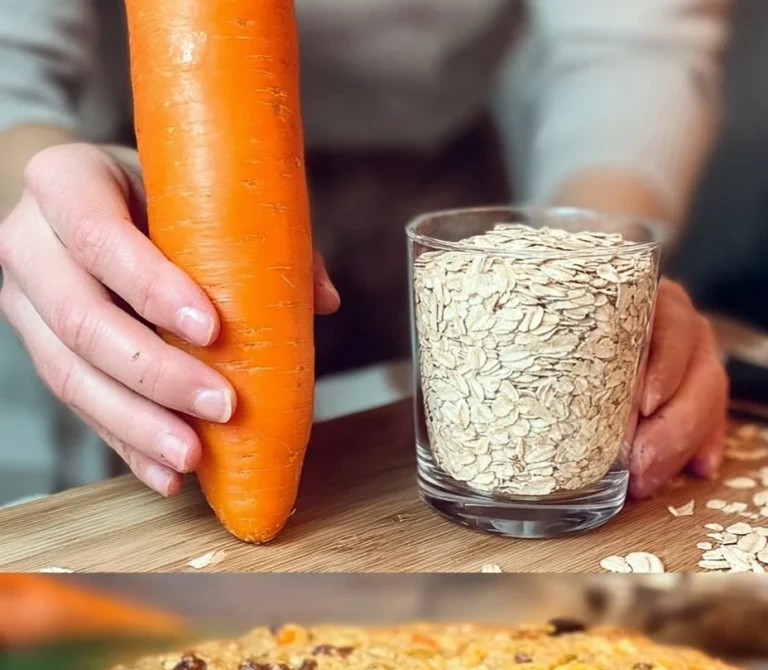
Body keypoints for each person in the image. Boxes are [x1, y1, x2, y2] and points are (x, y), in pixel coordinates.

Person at [0, 0, 731, 501]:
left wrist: (587, 274)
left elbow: (629, 45)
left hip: (434, 189)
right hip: (164, 187)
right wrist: (57, 201)